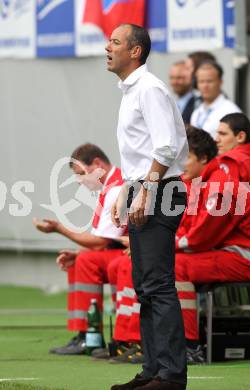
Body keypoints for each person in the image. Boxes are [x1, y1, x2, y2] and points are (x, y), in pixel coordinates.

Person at [106, 23, 188, 390]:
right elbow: (139, 153)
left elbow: (166, 146)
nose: (108, 48)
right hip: (146, 186)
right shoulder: (131, 91)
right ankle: (153, 370)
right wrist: (127, 190)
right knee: (144, 285)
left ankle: (171, 375)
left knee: (157, 284)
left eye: (116, 42)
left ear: (135, 51)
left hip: (160, 189)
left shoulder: (149, 89)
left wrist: (145, 191)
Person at [174, 128, 250, 349]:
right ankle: (159, 342)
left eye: (185, 158)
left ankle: (187, 347)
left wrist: (166, 247)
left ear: (203, 158)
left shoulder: (220, 186)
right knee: (162, 263)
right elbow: (188, 228)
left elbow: (200, 237)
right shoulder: (202, 183)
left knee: (175, 266)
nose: (180, 165)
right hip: (232, 254)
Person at [33, 143, 125, 355]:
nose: (79, 181)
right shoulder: (108, 188)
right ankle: (85, 335)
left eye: (81, 174)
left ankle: (90, 337)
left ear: (97, 164)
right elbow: (101, 240)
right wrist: (77, 253)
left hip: (131, 252)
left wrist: (59, 229)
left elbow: (100, 242)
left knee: (86, 260)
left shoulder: (117, 188)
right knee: (79, 261)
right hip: (119, 250)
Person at [190, 61, 241, 139]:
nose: (205, 86)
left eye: (209, 81)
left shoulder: (231, 111)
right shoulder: (196, 113)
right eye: (201, 81)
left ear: (220, 82)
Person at [216, 112, 250, 202]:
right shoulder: (245, 158)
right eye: (217, 133)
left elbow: (223, 202)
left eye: (223, 134)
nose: (216, 139)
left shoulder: (230, 159)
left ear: (240, 137)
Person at [169, 61, 196, 125]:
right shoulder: (171, 103)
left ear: (190, 78)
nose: (174, 82)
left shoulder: (198, 103)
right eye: (172, 78)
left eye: (179, 78)